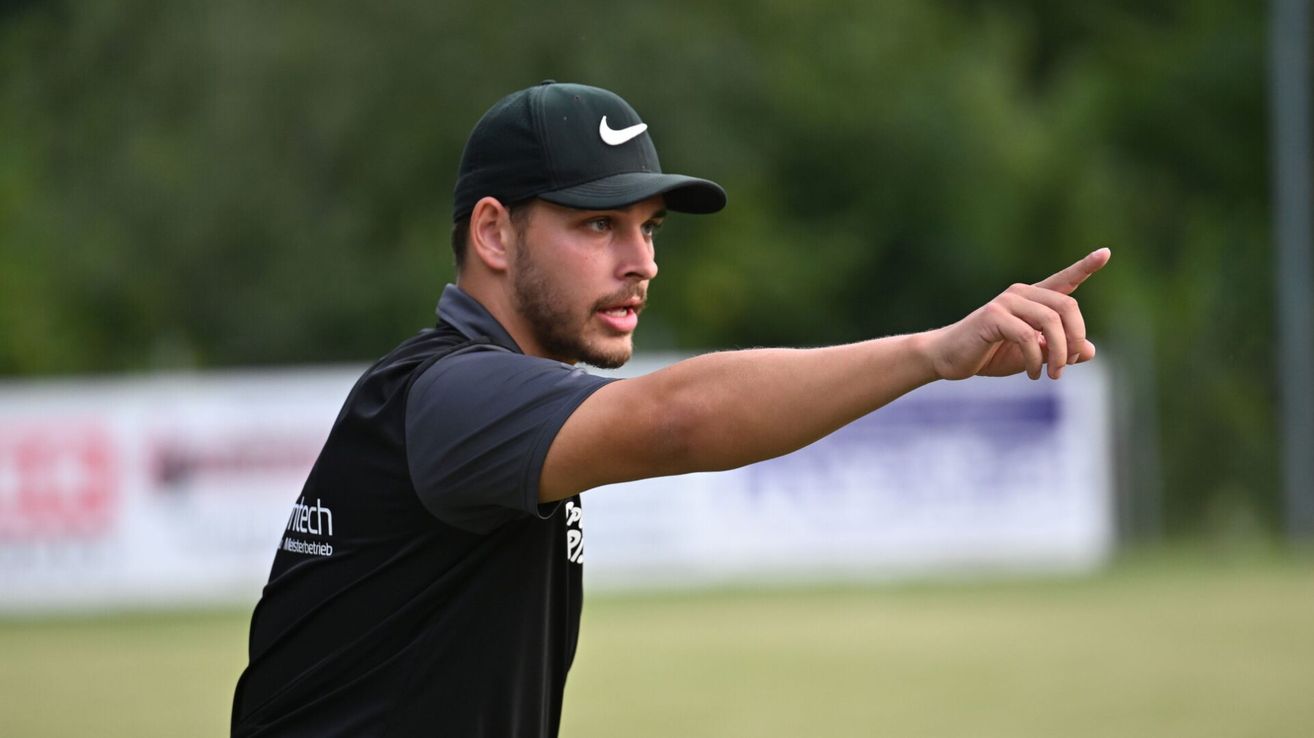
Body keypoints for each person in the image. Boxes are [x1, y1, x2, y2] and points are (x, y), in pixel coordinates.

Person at [230, 80, 1109, 737]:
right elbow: (676, 419)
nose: (643, 262)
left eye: (648, 228)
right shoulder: (454, 394)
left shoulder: (480, 395)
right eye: (598, 225)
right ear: (493, 233)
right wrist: (933, 354)